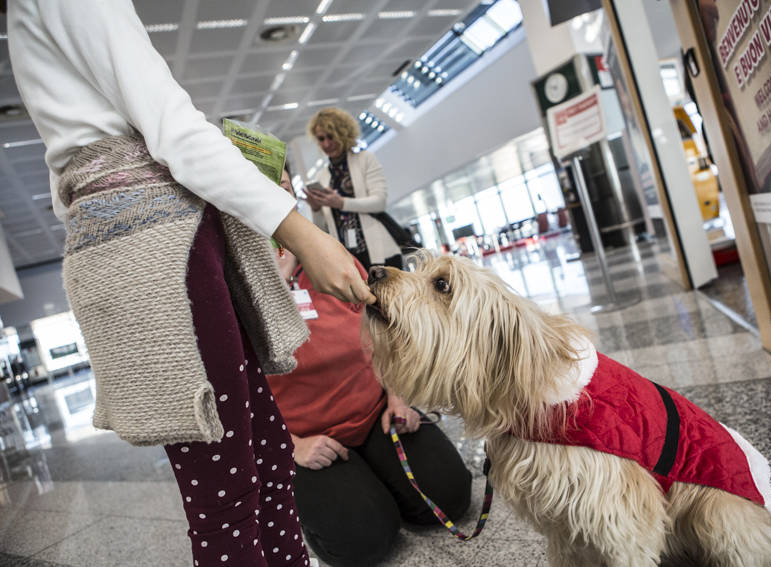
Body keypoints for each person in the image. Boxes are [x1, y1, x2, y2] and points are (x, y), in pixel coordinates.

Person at [6, 2, 373, 566]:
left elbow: (69, 184)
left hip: (152, 246)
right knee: (228, 489)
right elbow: (172, 130)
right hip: (162, 256)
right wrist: (300, 232)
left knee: (264, 462)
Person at [270, 170, 472, 567]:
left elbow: (384, 335)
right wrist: (292, 447)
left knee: (451, 497)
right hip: (309, 440)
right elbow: (234, 389)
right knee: (361, 544)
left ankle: (375, 473)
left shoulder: (330, 260)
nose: (276, 194)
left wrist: (397, 397)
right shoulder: (232, 282)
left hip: (376, 414)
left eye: (283, 184)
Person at [305, 107, 404, 270]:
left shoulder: (365, 159)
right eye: (321, 139)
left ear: (343, 133)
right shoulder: (322, 177)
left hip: (381, 252)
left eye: (331, 136)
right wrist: (316, 209)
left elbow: (379, 202)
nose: (327, 144)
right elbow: (322, 230)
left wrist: (341, 203)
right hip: (349, 260)